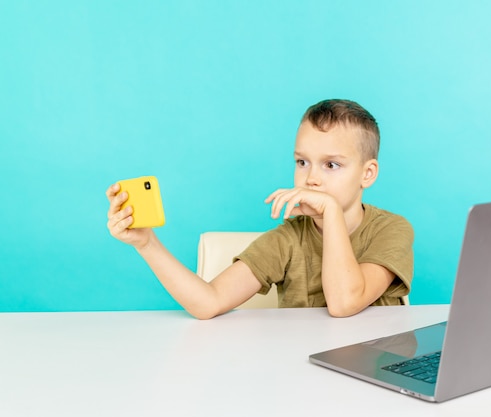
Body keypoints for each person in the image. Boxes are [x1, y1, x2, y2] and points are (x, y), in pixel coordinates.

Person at [106, 99, 413, 319]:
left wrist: (330, 212)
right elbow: (208, 302)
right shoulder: (287, 239)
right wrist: (147, 244)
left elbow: (345, 303)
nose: (311, 178)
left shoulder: (392, 230)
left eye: (331, 165)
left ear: (367, 174)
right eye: (302, 162)